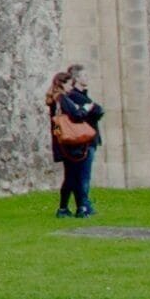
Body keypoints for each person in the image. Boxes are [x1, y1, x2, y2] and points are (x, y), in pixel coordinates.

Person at [47, 68, 104, 218]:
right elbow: (77, 115)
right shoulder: (62, 98)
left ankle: (69, 208)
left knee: (72, 177)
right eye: (68, 84)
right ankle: (77, 208)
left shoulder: (56, 100)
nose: (71, 87)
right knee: (76, 177)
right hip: (70, 142)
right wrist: (85, 108)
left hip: (63, 141)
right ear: (62, 84)